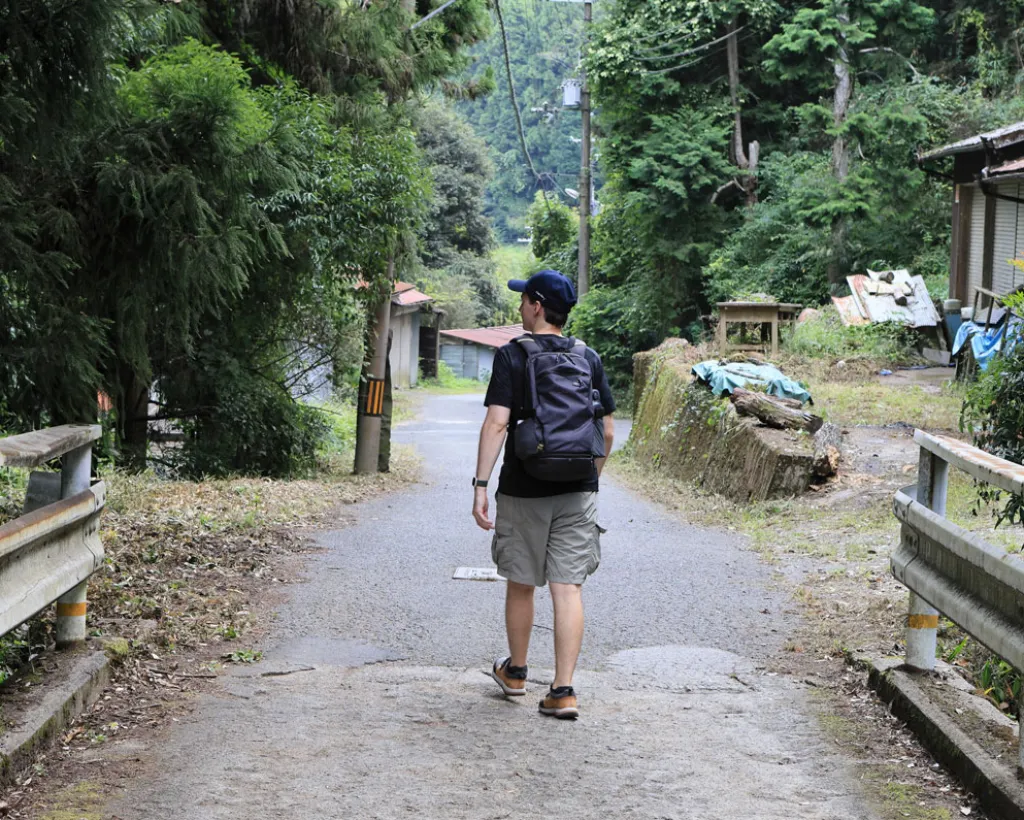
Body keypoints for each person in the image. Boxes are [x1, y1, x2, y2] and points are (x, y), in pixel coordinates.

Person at [471, 269, 616, 720]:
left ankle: (515, 672)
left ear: (536, 305)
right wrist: (591, 473)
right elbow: (606, 429)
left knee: (520, 582)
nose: (519, 308)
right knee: (567, 587)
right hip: (578, 489)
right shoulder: (588, 356)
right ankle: (563, 690)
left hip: (523, 486)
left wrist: (480, 485)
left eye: (522, 300)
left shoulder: (512, 356)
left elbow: (497, 423)